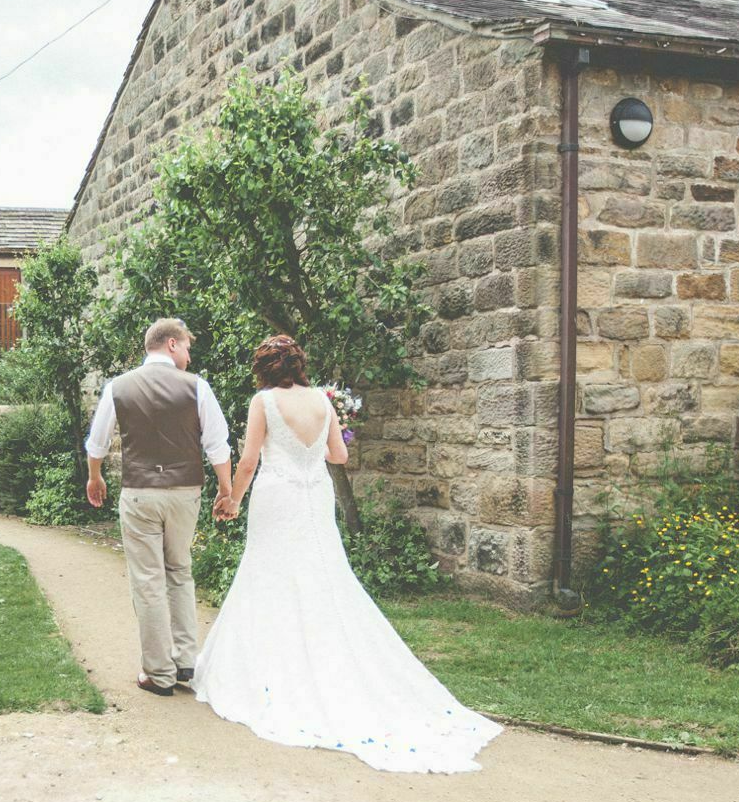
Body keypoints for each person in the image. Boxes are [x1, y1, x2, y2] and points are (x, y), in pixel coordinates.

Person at [192, 334, 502, 773]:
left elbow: (248, 461)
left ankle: (268, 669)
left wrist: (234, 500)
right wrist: (310, 451)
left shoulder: (263, 402)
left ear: (264, 368)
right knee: (323, 573)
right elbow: (338, 454)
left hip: (278, 495)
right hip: (315, 494)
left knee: (268, 573)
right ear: (298, 364)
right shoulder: (323, 400)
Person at [85, 318, 231, 696]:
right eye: (187, 348)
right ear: (171, 344)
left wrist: (95, 477)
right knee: (180, 570)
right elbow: (217, 445)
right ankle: (185, 661)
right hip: (185, 492)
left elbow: (97, 442)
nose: (189, 356)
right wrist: (226, 488)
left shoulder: (118, 387)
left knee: (148, 580)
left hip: (139, 493)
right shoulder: (197, 387)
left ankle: (158, 673)